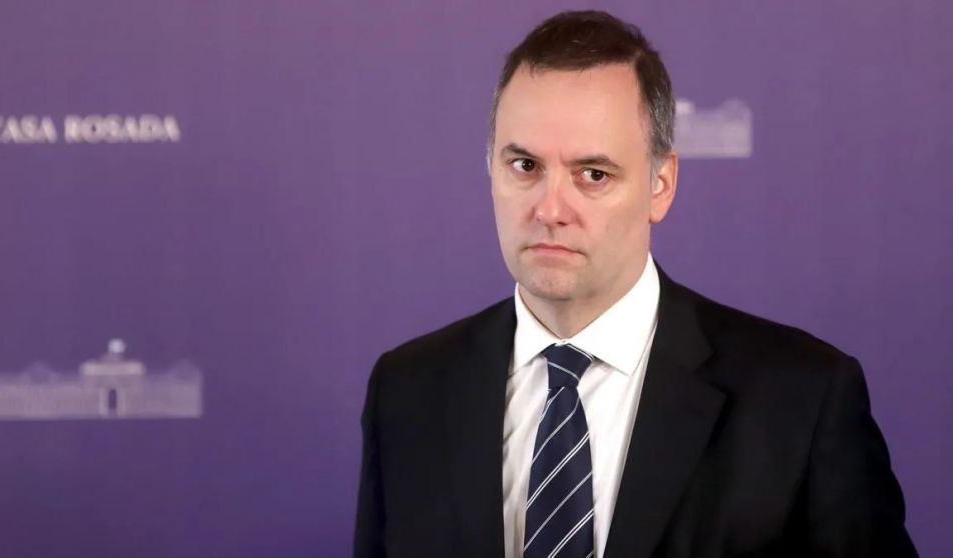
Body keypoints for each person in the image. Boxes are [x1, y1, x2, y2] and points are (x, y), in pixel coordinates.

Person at [353, 10, 916, 558]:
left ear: (660, 185)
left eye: (593, 175)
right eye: (524, 166)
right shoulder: (406, 391)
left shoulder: (802, 400)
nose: (550, 209)